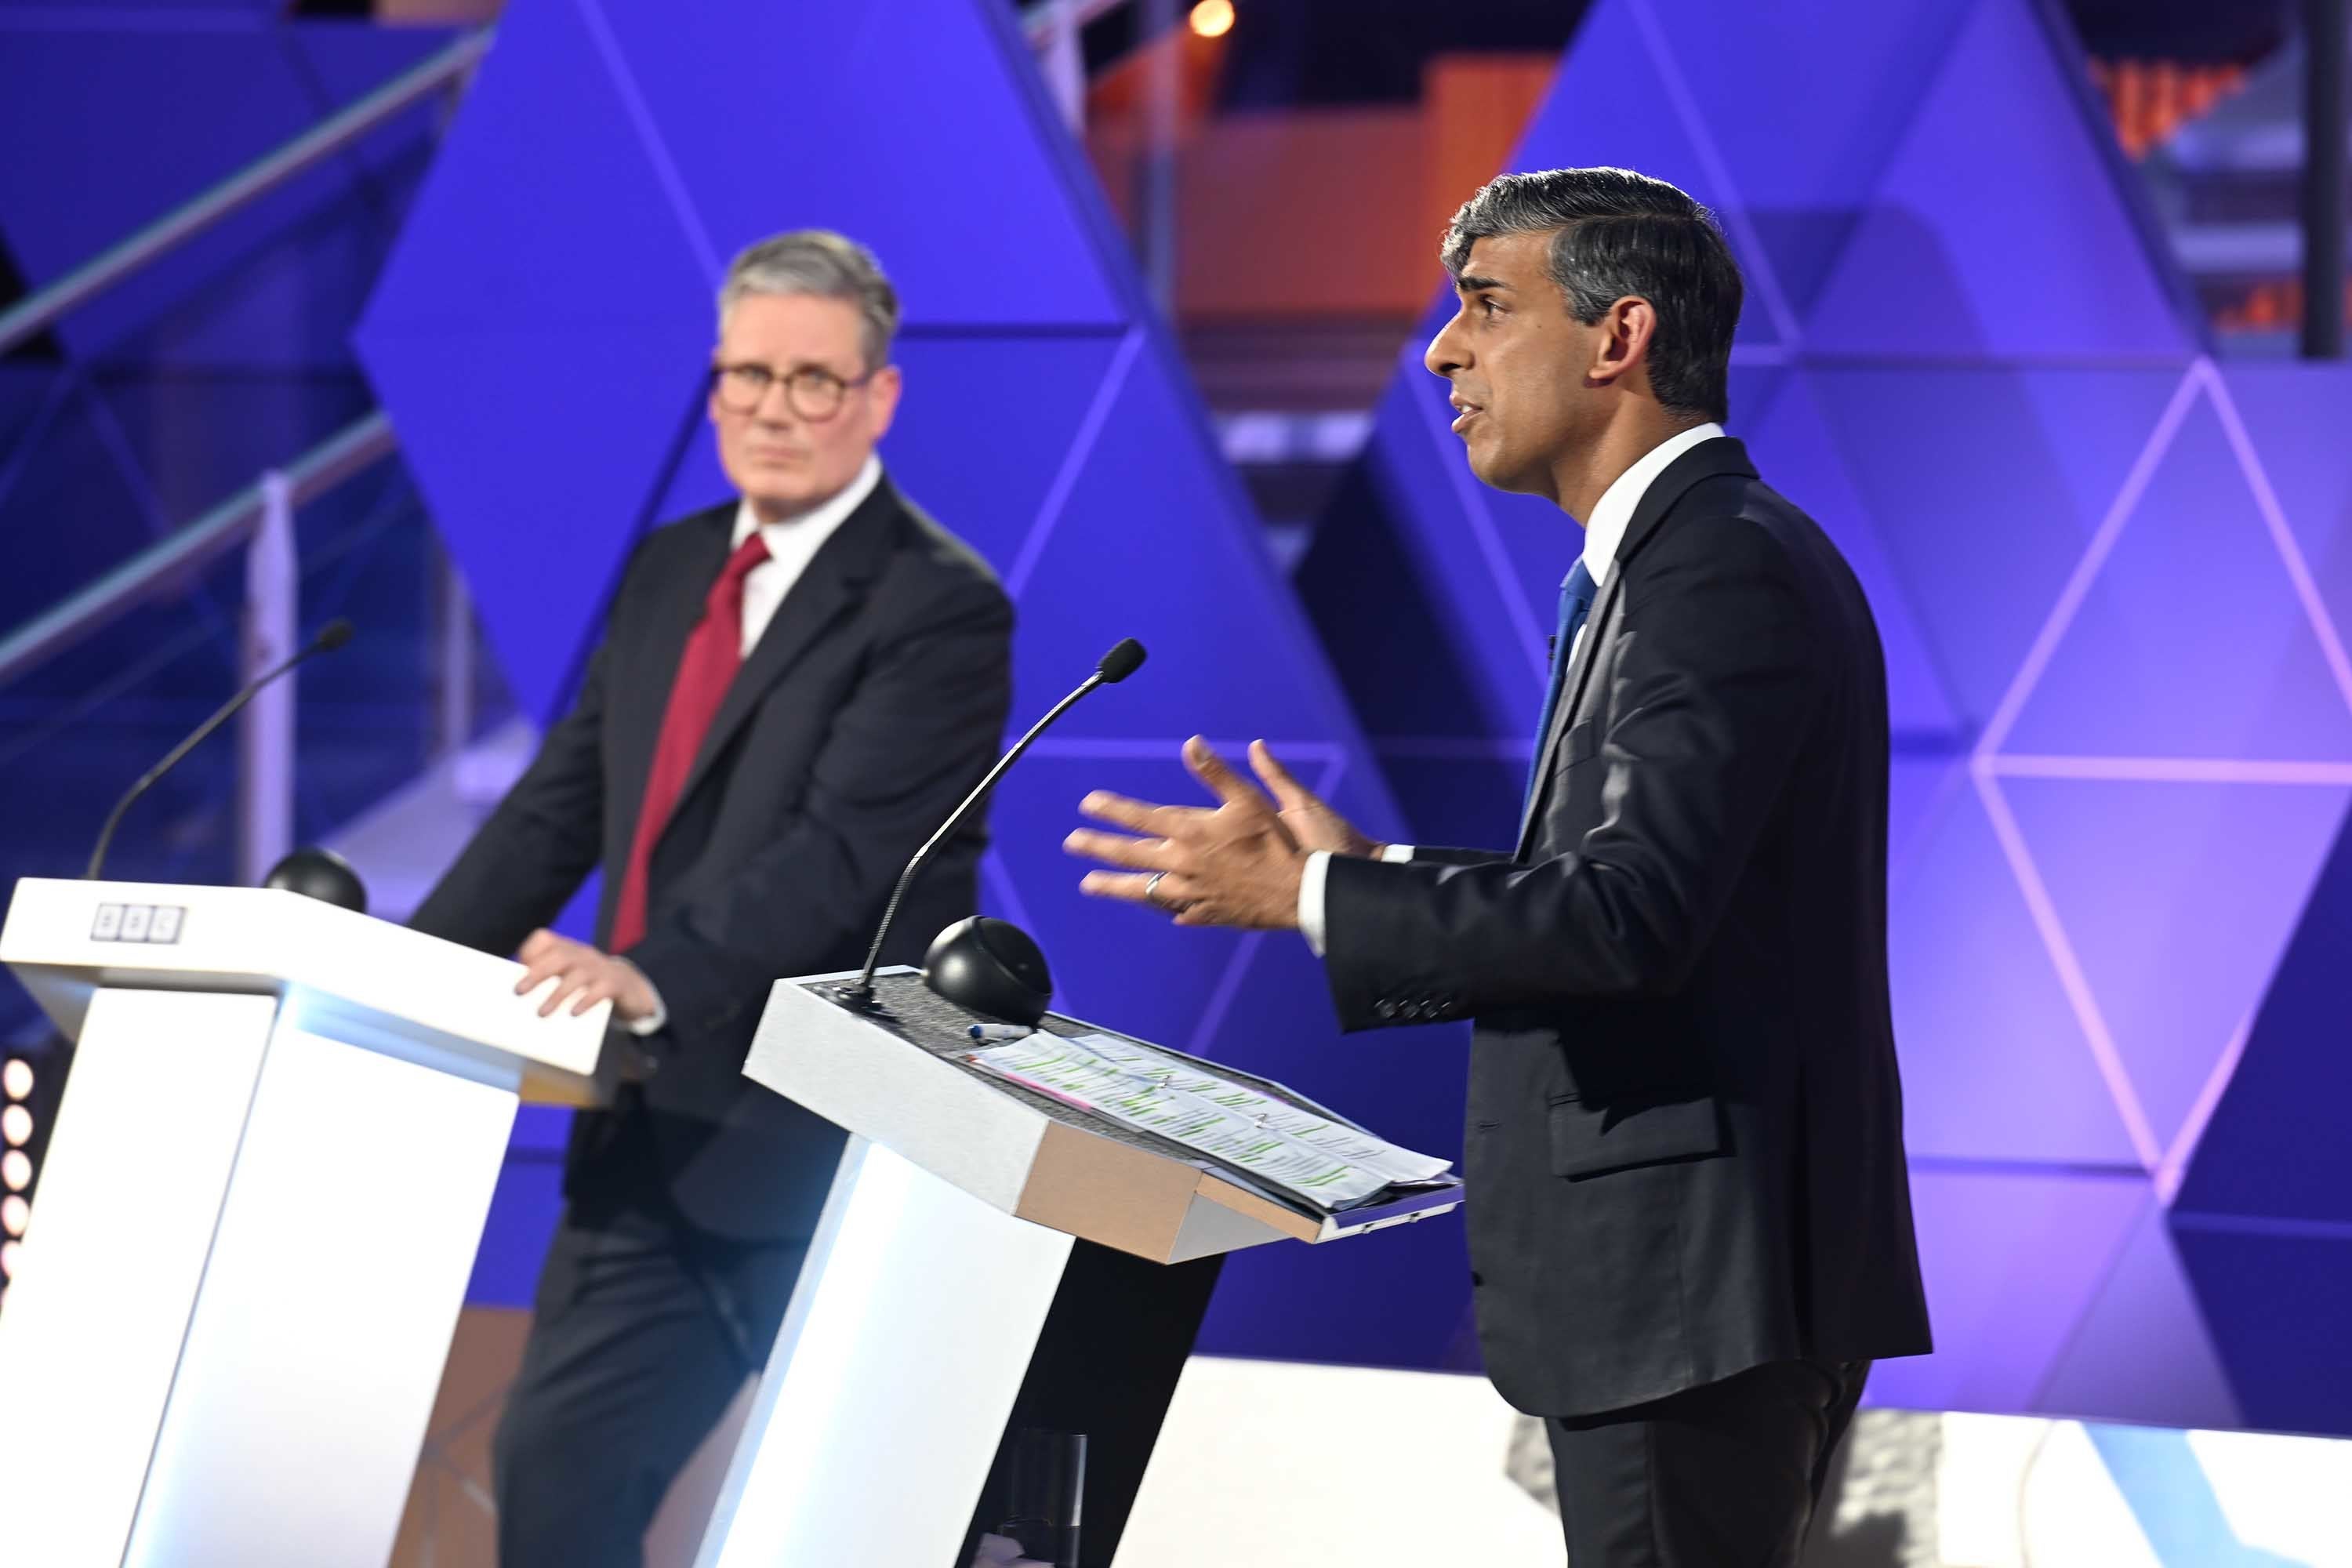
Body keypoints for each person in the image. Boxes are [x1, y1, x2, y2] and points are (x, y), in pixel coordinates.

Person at [1062, 168, 1930, 1566]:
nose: (1442, 352)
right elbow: (1636, 885)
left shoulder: (1714, 568)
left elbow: (1631, 919)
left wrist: (1316, 899)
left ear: (1617, 337)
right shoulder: (1677, 561)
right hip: (1690, 1295)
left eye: (1483, 307)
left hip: (1692, 1299)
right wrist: (1370, 868)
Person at [410, 230, 1014, 1566]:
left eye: (812, 379)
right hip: (649, 1130)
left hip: (825, 1138)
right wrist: (396, 971)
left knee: (875, 1528)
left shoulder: (939, 605)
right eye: (747, 377)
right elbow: (562, 802)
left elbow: (846, 853)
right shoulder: (673, 565)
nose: (773, 410)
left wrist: (658, 968)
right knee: (557, 1483)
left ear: (878, 397)